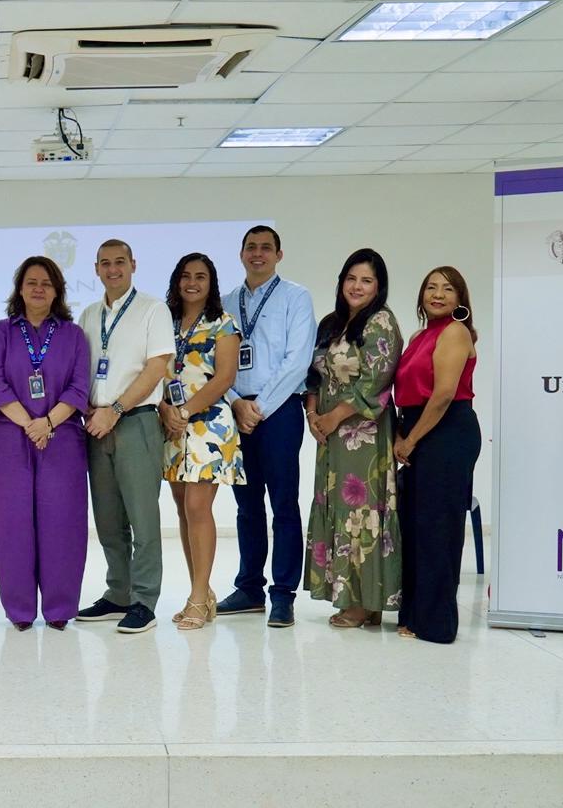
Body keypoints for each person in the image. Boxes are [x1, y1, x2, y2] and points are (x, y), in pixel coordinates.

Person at [216, 225, 317, 629]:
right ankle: (249, 588)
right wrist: (236, 403)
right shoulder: (225, 304)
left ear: (278, 254)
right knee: (246, 505)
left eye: (265, 248)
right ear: (241, 254)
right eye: (251, 248)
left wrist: (259, 406)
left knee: (284, 504)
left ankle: (282, 594)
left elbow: (297, 360)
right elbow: (215, 365)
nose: (258, 254)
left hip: (279, 411)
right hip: (237, 410)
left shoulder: (295, 297)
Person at [74, 240, 174, 635]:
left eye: (120, 262)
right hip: (95, 425)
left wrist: (114, 410)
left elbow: (156, 369)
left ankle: (144, 601)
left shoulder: (153, 309)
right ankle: (118, 593)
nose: (113, 269)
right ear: (96, 268)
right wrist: (90, 412)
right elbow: (81, 370)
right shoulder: (88, 314)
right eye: (105, 263)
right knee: (109, 520)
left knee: (143, 518)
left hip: (134, 420)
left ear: (133, 265)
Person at [0, 256, 90, 630]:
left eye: (46, 283)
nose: (38, 289)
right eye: (31, 282)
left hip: (61, 437)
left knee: (62, 521)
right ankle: (19, 610)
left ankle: (60, 609)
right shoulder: (2, 332)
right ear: (20, 288)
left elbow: (79, 388)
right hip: (11, 435)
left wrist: (46, 422)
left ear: (57, 290)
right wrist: (30, 424)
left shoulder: (73, 335)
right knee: (12, 522)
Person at [303, 249, 403, 630]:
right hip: (329, 435)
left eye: (366, 281)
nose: (357, 287)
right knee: (336, 509)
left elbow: (374, 386)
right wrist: (313, 415)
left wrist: (332, 417)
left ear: (378, 287)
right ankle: (348, 595)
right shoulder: (331, 323)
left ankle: (365, 601)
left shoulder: (381, 323)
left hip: (363, 434)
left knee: (362, 513)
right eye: (351, 278)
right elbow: (312, 375)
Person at [393, 266, 481, 644]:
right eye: (431, 287)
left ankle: (437, 623)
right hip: (417, 428)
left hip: (446, 432)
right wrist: (401, 433)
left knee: (437, 529)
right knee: (415, 527)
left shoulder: (456, 332)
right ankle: (414, 613)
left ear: (460, 298)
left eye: (448, 288)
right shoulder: (417, 336)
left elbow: (444, 393)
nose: (438, 294)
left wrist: (410, 440)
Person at [160, 253, 244, 631]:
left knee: (198, 505)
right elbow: (156, 373)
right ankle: (203, 591)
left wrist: (186, 411)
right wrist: (166, 410)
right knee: (182, 507)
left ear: (211, 284)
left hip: (208, 425)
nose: (192, 282)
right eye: (186, 276)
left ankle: (197, 597)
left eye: (201, 277)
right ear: (177, 281)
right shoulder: (166, 322)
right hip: (172, 426)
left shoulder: (223, 324)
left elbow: (224, 378)